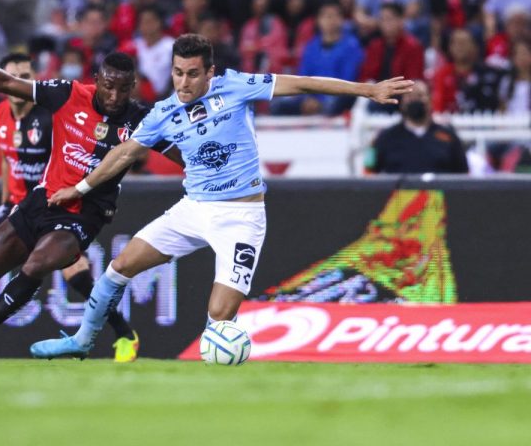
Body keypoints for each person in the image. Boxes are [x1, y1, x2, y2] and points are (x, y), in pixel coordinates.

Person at [29, 33, 414, 360]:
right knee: (119, 267)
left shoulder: (236, 86)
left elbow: (303, 83)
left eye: (193, 74)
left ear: (210, 73)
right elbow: (123, 154)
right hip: (193, 209)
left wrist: (368, 90)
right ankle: (82, 340)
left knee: (219, 317)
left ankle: (221, 353)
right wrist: (80, 188)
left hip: (242, 217)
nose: (183, 83)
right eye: (178, 73)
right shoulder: (163, 112)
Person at [0, 47, 181, 362]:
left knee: (37, 264)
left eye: (123, 89)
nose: (114, 96)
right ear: (96, 80)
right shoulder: (67, 94)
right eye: (108, 86)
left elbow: (183, 155)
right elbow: (5, 82)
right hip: (43, 200)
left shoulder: (142, 120)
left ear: (133, 87)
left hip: (85, 214)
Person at [366, 81, 469, 174]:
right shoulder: (386, 137)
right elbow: (369, 169)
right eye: (410, 96)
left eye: (419, 95)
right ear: (402, 103)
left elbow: (464, 174)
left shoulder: (448, 137)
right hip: (399, 189)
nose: (415, 100)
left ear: (430, 100)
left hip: (439, 189)